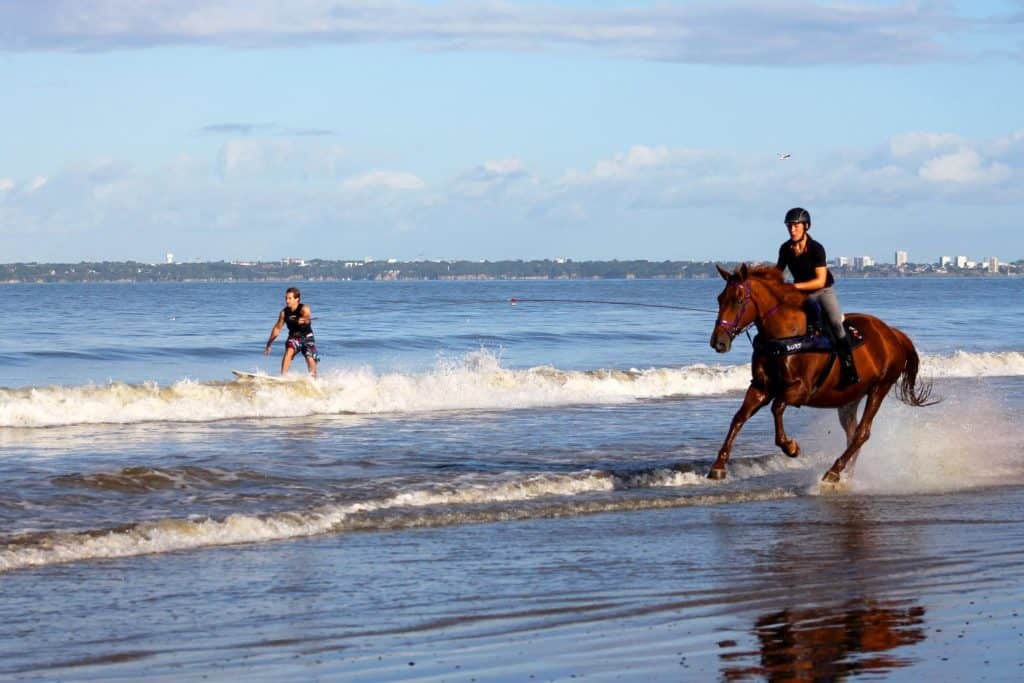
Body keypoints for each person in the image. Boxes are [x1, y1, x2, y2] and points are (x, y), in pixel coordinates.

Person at [775, 207, 859, 387]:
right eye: (789, 226)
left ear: (806, 226)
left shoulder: (816, 248)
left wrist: (792, 286)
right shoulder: (785, 248)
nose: (792, 229)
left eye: (796, 225)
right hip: (800, 295)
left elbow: (820, 281)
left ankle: (849, 368)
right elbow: (777, 274)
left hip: (822, 292)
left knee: (836, 323)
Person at [264, 287, 319, 377]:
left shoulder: (304, 308)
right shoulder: (284, 313)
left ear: (297, 299)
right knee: (289, 350)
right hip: (294, 337)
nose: (287, 301)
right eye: (286, 298)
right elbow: (277, 328)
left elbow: (307, 317)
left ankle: (314, 379)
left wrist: (303, 319)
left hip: (307, 336)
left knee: (309, 358)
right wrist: (269, 343)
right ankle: (283, 377)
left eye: (289, 298)